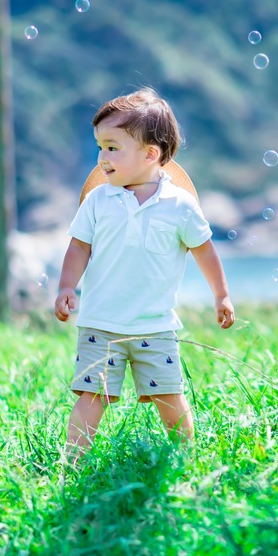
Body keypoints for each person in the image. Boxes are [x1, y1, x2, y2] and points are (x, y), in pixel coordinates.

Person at [54, 87, 235, 463]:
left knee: (170, 396)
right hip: (101, 322)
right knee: (92, 394)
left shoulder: (179, 206)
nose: (102, 157)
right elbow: (78, 247)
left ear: (151, 154)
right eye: (100, 147)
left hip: (155, 325)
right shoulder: (98, 201)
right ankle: (70, 461)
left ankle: (186, 459)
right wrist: (67, 286)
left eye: (112, 147)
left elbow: (204, 251)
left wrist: (221, 295)